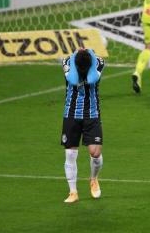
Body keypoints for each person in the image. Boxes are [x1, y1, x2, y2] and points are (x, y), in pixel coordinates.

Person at [61, 48, 105, 203]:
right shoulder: (67, 61)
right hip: (71, 114)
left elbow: (92, 79)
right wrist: (74, 56)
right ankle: (73, 192)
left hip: (92, 114)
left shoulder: (99, 62)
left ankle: (93, 179)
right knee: (70, 154)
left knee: (95, 153)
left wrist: (91, 53)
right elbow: (73, 80)